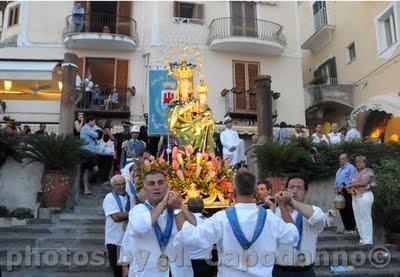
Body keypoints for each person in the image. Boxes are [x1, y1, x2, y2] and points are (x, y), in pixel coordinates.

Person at [175, 172, 299, 276]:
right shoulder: (270, 218)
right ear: (255, 192)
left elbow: (191, 237)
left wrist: (177, 208)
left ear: (233, 192)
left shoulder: (222, 218)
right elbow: (293, 235)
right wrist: (283, 206)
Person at [126, 169, 196, 276]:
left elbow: (195, 228)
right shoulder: (138, 210)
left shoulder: (175, 210)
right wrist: (163, 203)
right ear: (145, 189)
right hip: (149, 271)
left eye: (160, 183)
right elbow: (139, 228)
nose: (156, 187)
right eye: (151, 184)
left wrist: (179, 205)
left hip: (177, 270)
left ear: (167, 187)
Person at [272, 175, 325, 277]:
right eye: (291, 187)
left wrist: (291, 201)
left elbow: (317, 218)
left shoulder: (313, 210)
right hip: (278, 270)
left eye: (299, 188)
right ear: (286, 190)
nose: (294, 191)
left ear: (306, 192)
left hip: (304, 271)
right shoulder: (275, 213)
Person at [102, 175, 131, 277]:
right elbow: (116, 217)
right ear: (113, 186)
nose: (122, 186)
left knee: (129, 272)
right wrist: (133, 214)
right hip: (115, 241)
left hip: (128, 240)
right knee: (118, 272)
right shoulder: (109, 198)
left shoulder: (130, 197)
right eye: (118, 184)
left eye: (123, 183)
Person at [349, 155, 376, 245]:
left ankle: (368, 241)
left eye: (360, 162)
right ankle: (363, 239)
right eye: (357, 162)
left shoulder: (369, 171)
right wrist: (352, 185)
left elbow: (364, 182)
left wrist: (353, 183)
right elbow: (351, 183)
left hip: (365, 195)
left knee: (365, 218)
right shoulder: (357, 173)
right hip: (356, 196)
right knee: (358, 218)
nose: (358, 164)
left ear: (365, 163)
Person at [187, 198, 216, 277]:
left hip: (187, 262)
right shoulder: (210, 222)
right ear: (203, 209)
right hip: (206, 263)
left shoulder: (183, 223)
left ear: (188, 209)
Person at [334, 153, 357, 233]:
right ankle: (347, 227)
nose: (341, 160)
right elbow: (336, 181)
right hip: (339, 191)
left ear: (347, 159)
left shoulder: (351, 168)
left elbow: (352, 180)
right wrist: (335, 188)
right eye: (340, 159)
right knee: (342, 209)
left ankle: (352, 228)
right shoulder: (339, 170)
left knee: (349, 209)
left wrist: (342, 186)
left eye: (343, 158)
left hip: (348, 191)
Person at [80, 115, 102, 195]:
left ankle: (85, 184)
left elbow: (99, 131)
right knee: (88, 169)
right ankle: (85, 187)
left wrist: (96, 127)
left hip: (91, 152)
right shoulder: (85, 128)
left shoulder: (90, 128)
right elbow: (97, 135)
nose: (95, 123)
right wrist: (96, 128)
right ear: (90, 121)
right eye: (94, 121)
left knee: (92, 169)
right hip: (86, 152)